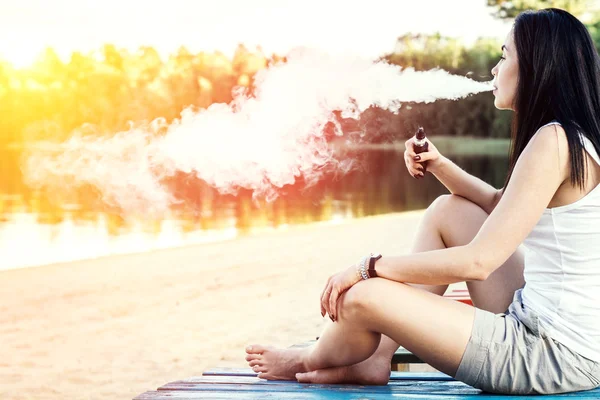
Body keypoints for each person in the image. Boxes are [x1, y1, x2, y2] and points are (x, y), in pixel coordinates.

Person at [244, 8, 600, 395]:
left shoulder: (553, 140)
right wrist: (440, 165)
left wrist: (369, 268)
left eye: (503, 55)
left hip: (549, 356)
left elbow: (478, 262)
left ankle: (307, 359)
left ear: (535, 66)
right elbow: (502, 206)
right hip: (556, 335)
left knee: (363, 297)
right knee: (449, 212)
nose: (495, 70)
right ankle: (375, 358)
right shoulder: (571, 137)